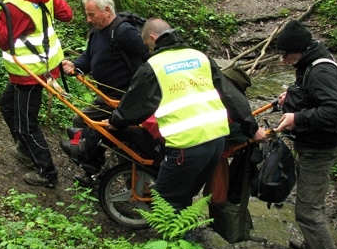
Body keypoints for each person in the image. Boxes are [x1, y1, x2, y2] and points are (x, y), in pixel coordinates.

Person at [107, 18, 266, 212]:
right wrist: (252, 127)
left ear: (152, 38)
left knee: (164, 204)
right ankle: (186, 238)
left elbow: (135, 104)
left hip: (187, 146)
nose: (147, 50)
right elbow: (231, 95)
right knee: (185, 195)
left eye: (146, 45)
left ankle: (176, 240)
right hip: (216, 142)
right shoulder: (199, 57)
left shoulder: (154, 66)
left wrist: (115, 121)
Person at [0, 0, 73, 188]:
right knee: (7, 105)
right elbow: (67, 14)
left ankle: (47, 173)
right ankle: (26, 150)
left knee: (26, 126)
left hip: (31, 74)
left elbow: (4, 41)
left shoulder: (14, 5)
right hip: (44, 67)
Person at [273, 19, 337, 249]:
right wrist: (292, 94)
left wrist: (297, 116)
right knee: (312, 203)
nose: (283, 61)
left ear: (300, 50)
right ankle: (313, 244)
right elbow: (313, 96)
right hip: (313, 143)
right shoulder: (311, 62)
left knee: (306, 211)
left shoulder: (320, 72)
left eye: (286, 55)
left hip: (320, 147)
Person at [60, 0, 149, 184]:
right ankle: (92, 167)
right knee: (80, 121)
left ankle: (131, 183)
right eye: (87, 14)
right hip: (107, 95)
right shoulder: (97, 32)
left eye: (92, 14)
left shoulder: (124, 32)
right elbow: (90, 57)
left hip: (125, 97)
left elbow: (149, 56)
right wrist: (76, 65)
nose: (88, 19)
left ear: (107, 10)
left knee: (118, 138)